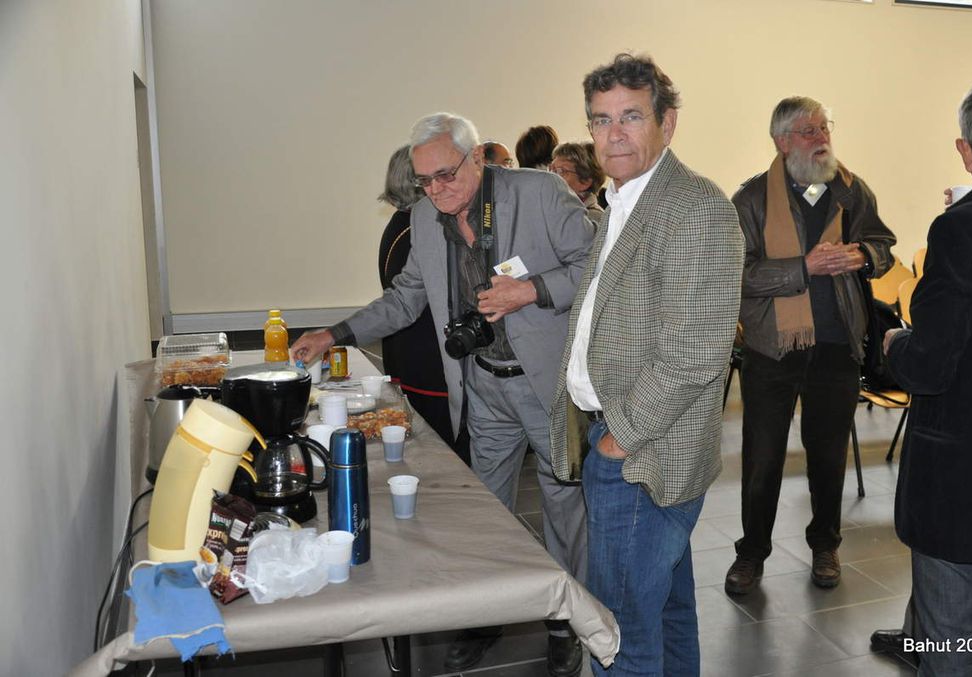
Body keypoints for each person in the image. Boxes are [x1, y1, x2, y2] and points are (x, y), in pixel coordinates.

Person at [291, 112, 593, 677]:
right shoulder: (427, 218)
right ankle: (484, 615)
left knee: (563, 503)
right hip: (481, 385)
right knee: (485, 511)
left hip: (545, 383)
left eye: (446, 175)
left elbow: (597, 268)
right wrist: (335, 333)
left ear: (478, 157)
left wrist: (530, 290)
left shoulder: (541, 193)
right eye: (424, 181)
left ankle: (562, 618)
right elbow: (405, 297)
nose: (436, 191)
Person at [549, 53, 744, 676]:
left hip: (642, 453)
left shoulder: (694, 207)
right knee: (665, 612)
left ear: (669, 122)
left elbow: (693, 352)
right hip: (629, 441)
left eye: (631, 116)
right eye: (600, 121)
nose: (614, 134)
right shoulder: (622, 200)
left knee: (619, 635)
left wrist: (616, 440)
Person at [724, 96, 895, 595]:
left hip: (837, 344)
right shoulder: (751, 200)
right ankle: (751, 553)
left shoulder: (850, 189)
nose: (821, 137)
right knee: (763, 459)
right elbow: (737, 275)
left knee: (826, 454)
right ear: (780, 141)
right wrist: (804, 269)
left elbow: (883, 244)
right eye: (807, 130)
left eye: (824, 127)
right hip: (771, 348)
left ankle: (826, 545)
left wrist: (862, 255)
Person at [882, 73, 972, 677]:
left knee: (953, 642)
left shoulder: (964, 227)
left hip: (968, 477)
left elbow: (933, 364)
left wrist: (894, 344)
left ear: (968, 150)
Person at [375, 145, 467, 462]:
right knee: (446, 460)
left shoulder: (402, 225)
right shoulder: (419, 228)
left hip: (412, 359)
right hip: (429, 365)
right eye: (431, 177)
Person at [550, 142, 605, 225]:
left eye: (561, 171)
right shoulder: (552, 209)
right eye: (551, 169)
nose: (551, 176)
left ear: (585, 182)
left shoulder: (592, 219)